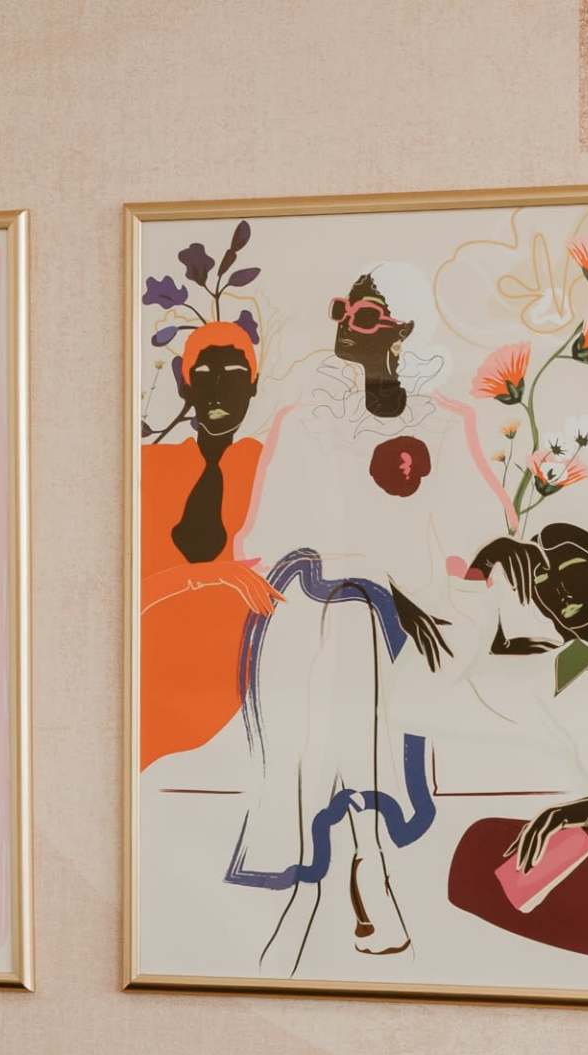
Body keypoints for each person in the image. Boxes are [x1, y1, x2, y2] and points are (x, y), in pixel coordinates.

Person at [228, 262, 510, 968]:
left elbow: (483, 530)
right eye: (344, 311)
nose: (346, 325)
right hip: (309, 607)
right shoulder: (303, 421)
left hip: (407, 614)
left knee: (356, 620)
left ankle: (364, 856)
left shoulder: (442, 426)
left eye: (365, 313)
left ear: (402, 328)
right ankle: (368, 858)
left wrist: (453, 596)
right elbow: (263, 539)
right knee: (340, 617)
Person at [136, 321, 273, 768]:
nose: (218, 390)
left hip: (246, 678)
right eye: (205, 375)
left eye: (234, 375)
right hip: (157, 675)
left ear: (253, 385)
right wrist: (210, 576)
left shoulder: (270, 465)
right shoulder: (150, 468)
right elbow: (127, 596)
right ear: (185, 383)